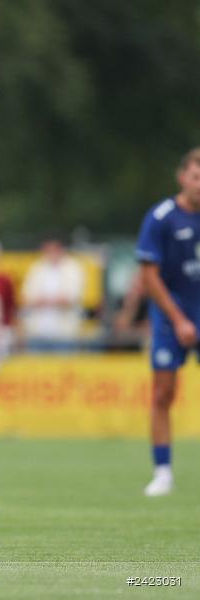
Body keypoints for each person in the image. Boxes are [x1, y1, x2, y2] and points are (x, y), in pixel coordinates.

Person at [135, 147, 200, 497]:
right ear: (183, 178)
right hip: (171, 317)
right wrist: (179, 320)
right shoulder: (161, 218)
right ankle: (163, 473)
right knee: (163, 394)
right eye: (196, 176)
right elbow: (149, 276)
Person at [21, 239, 85, 348]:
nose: (51, 253)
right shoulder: (37, 268)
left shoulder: (73, 268)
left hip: (64, 334)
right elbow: (27, 297)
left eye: (54, 249)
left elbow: (71, 299)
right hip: (38, 332)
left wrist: (43, 301)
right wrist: (55, 301)